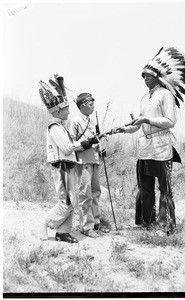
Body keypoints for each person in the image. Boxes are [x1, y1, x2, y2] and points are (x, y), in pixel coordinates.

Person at [115, 47, 185, 234]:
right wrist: (124, 129)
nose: (145, 79)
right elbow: (137, 125)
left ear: (157, 78)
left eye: (149, 76)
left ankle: (165, 225)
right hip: (145, 148)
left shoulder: (166, 95)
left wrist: (146, 120)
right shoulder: (144, 98)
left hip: (162, 147)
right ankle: (147, 222)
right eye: (143, 76)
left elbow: (170, 121)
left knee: (165, 189)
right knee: (145, 187)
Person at [38, 75, 98, 243]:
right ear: (57, 111)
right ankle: (45, 222)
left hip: (68, 166)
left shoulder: (61, 127)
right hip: (61, 166)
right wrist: (83, 143)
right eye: (65, 109)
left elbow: (69, 146)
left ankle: (63, 232)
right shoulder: (54, 127)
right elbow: (66, 148)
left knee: (73, 200)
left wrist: (83, 143)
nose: (69, 111)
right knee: (67, 201)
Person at [69, 93, 109, 238]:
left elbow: (96, 140)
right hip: (83, 162)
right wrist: (86, 144)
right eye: (91, 104)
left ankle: (96, 221)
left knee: (96, 192)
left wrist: (100, 147)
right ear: (83, 105)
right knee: (85, 194)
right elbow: (71, 145)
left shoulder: (92, 122)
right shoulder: (75, 122)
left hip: (94, 160)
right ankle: (86, 226)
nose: (93, 107)